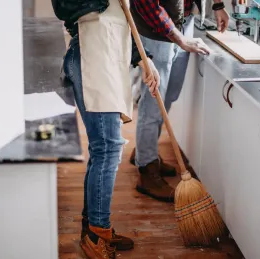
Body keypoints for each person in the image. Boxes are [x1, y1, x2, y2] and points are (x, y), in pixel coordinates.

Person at [52, 0, 161, 258]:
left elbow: (124, 21)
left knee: (102, 148)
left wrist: (145, 59)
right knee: (108, 149)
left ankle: (94, 227)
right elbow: (62, 6)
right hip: (92, 52)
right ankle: (96, 232)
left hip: (110, 54)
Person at [129, 0, 230, 202]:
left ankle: (144, 151)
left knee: (168, 97)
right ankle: (147, 170)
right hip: (155, 32)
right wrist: (179, 38)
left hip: (185, 23)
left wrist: (218, 5)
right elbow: (147, 5)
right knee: (154, 104)